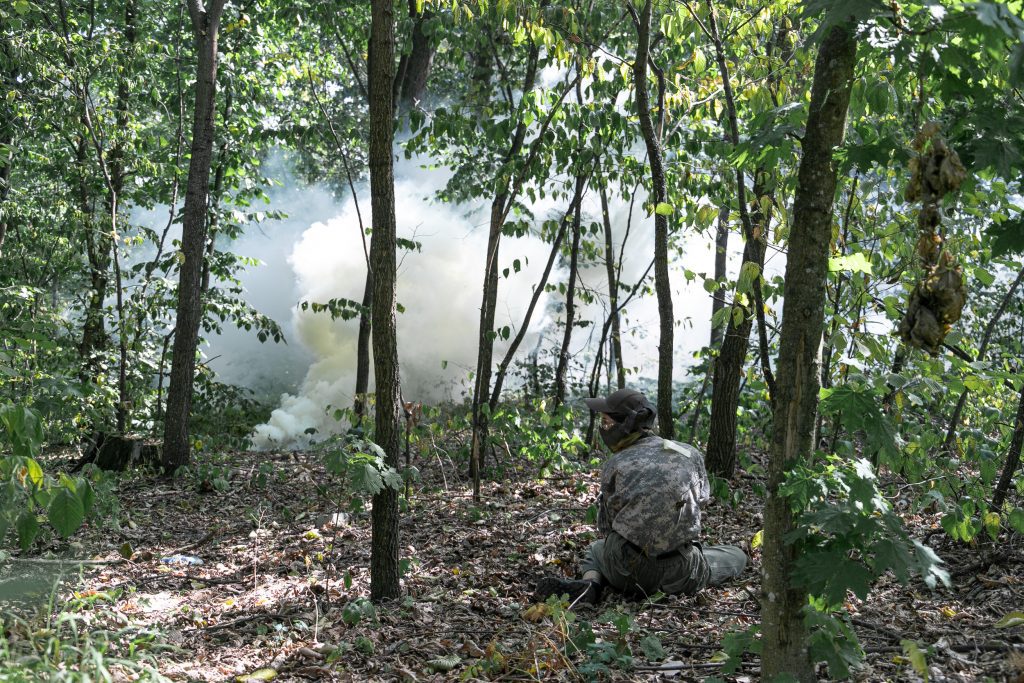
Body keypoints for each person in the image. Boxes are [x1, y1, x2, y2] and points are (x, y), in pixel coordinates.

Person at [534, 388, 747, 605]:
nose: (603, 428)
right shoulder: (690, 453)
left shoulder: (616, 463)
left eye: (606, 423)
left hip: (628, 572)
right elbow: (701, 502)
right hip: (682, 571)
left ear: (623, 426)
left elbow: (607, 528)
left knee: (596, 549)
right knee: (736, 554)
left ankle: (592, 585)